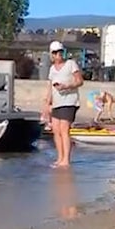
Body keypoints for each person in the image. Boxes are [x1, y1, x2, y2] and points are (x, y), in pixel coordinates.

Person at [43, 40, 84, 168]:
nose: (58, 55)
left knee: (64, 129)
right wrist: (46, 103)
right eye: (55, 53)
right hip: (57, 102)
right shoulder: (52, 69)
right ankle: (60, 158)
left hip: (69, 101)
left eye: (60, 52)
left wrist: (67, 86)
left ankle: (66, 159)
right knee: (56, 130)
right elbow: (50, 87)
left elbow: (80, 81)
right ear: (51, 55)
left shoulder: (71, 64)